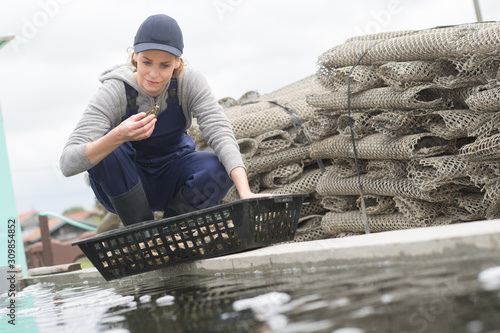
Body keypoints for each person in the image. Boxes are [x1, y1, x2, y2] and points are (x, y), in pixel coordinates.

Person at [60, 14, 266, 226]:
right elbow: (67, 163)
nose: (153, 74)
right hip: (126, 184)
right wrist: (119, 135)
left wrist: (245, 192)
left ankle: (174, 229)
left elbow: (219, 131)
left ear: (178, 63)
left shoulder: (190, 83)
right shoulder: (114, 91)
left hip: (173, 176)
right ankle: (142, 232)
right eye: (146, 62)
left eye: (164, 66)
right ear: (134, 57)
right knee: (109, 146)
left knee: (221, 167)